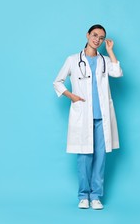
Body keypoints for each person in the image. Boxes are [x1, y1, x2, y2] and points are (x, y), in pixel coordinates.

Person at [53, 24, 123, 210]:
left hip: (102, 118)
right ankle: (83, 195)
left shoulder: (104, 60)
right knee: (84, 158)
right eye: (95, 35)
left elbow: (117, 72)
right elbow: (57, 82)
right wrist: (71, 96)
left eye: (101, 37)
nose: (97, 39)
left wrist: (110, 51)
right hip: (83, 115)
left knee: (100, 158)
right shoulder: (73, 60)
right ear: (87, 35)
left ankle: (96, 196)